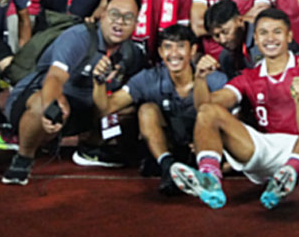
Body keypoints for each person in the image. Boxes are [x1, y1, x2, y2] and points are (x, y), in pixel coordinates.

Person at [168, 9, 299, 210]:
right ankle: (210, 179)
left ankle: (291, 170)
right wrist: (200, 78)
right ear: (255, 37)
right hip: (265, 149)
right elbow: (204, 107)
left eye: (277, 32)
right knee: (208, 112)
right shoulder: (249, 76)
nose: (270, 38)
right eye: (263, 33)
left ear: (289, 36)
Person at [1, 0, 145, 184]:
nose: (119, 22)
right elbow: (54, 78)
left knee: (129, 107)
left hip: (84, 110)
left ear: (136, 24)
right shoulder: (78, 37)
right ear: (102, 15)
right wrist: (51, 108)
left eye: (128, 18)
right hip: (39, 97)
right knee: (47, 104)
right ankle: (24, 157)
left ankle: (90, 147)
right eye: (114, 14)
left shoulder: (131, 53)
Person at [92, 23, 228, 194]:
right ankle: (167, 167)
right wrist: (98, 83)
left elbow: (233, 119)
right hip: (170, 145)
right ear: (160, 52)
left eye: (180, 47)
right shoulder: (149, 78)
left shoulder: (215, 79)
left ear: (193, 50)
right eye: (168, 47)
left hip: (203, 148)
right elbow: (107, 108)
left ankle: (205, 169)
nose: (174, 54)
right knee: (147, 110)